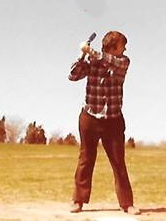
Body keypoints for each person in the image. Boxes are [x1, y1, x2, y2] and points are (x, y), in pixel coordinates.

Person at [68, 31, 140, 215]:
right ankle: (78, 200)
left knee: (118, 162)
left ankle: (127, 204)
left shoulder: (123, 61)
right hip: (90, 117)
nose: (125, 48)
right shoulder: (92, 62)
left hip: (113, 120)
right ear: (113, 47)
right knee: (86, 159)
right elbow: (73, 75)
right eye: (122, 45)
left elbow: (110, 61)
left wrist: (91, 51)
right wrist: (82, 54)